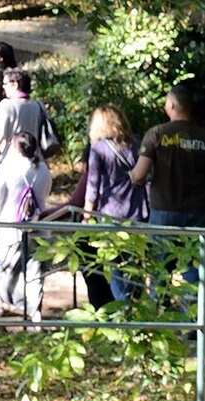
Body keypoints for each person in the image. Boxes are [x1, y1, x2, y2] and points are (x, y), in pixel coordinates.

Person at [132, 86, 205, 304]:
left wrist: (131, 175)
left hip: (164, 211)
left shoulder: (156, 133)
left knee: (160, 269)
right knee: (194, 270)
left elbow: (138, 175)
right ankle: (192, 327)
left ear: (171, 105)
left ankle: (158, 319)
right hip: (199, 212)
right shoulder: (203, 136)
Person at [83, 105, 149, 305]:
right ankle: (136, 312)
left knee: (116, 266)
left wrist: (86, 216)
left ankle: (123, 314)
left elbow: (92, 184)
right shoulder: (138, 143)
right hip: (139, 212)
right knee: (136, 265)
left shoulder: (98, 148)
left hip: (112, 214)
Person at [0, 128, 50, 319]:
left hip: (10, 228)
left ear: (16, 148)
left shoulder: (7, 167)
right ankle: (34, 311)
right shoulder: (43, 169)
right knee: (35, 270)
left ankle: (2, 303)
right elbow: (47, 191)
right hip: (38, 226)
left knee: (7, 266)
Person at [0, 67, 58, 184]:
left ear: (15, 85)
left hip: (11, 163)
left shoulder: (6, 106)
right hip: (36, 164)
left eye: (5, 83)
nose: (3, 87)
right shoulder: (38, 105)